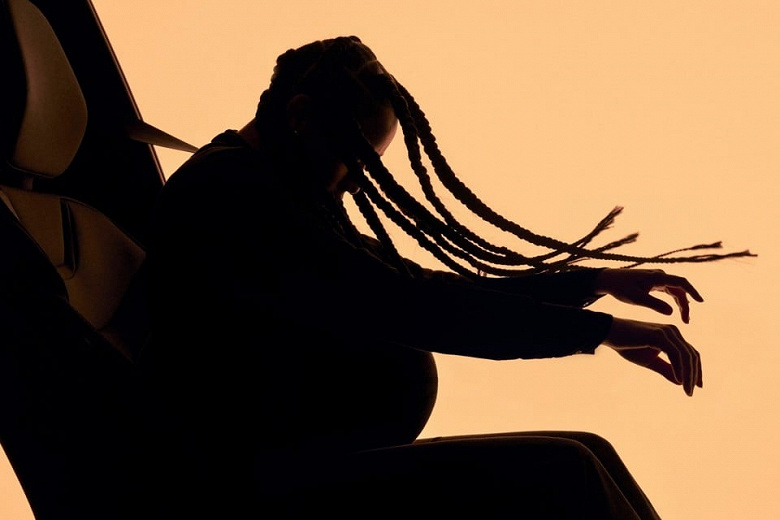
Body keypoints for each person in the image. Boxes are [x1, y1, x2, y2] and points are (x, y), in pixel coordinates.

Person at [141, 36, 753, 518]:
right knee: (567, 472)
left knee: (591, 453)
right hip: (252, 484)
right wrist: (602, 331)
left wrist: (590, 284)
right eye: (353, 159)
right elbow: (416, 306)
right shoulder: (235, 196)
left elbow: (432, 288)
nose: (356, 180)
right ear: (300, 117)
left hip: (309, 465)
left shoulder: (280, 192)